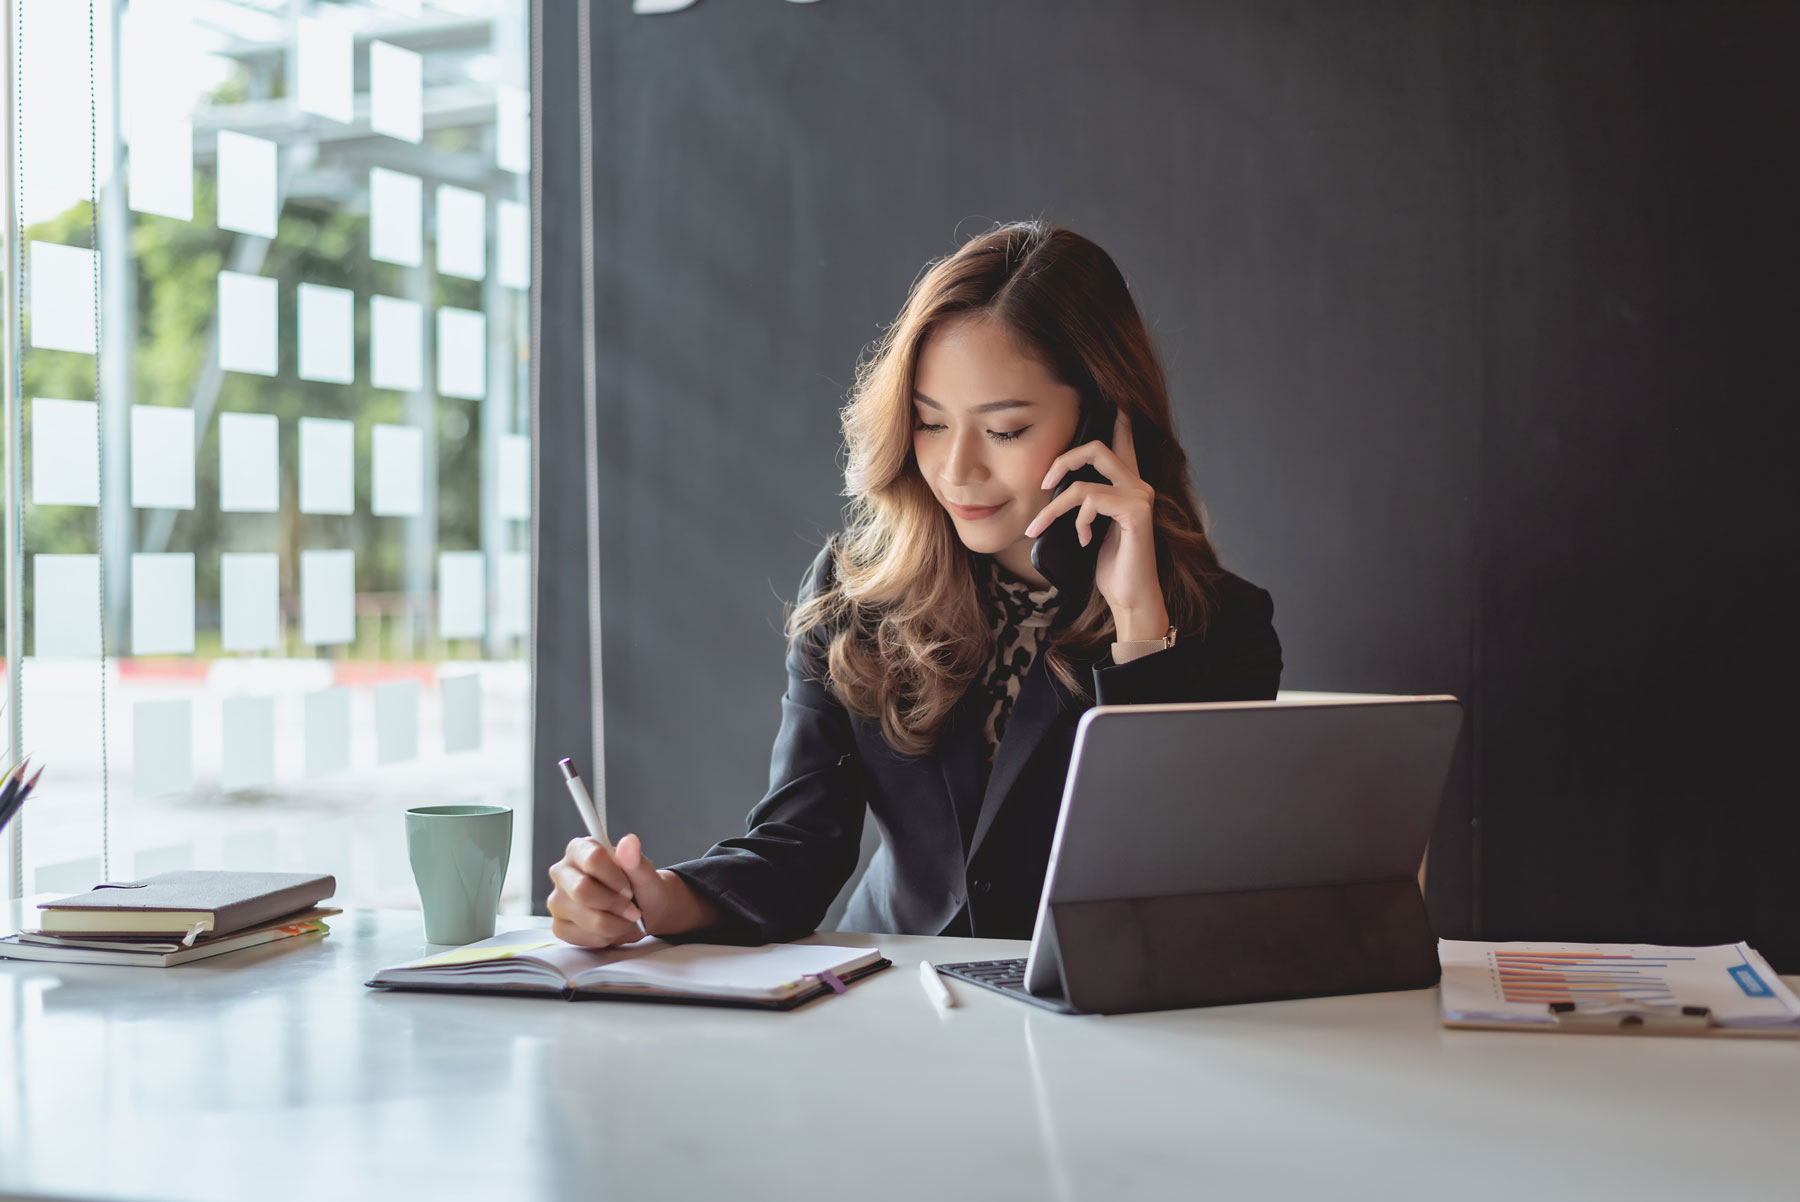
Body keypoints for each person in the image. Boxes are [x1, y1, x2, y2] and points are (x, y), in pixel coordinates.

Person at [547, 220, 1283, 947]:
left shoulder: (1227, 627)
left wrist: (1137, 627)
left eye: (1004, 431)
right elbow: (798, 845)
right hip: (893, 1008)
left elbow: (1169, 886)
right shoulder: (855, 593)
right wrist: (659, 898)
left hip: (1090, 1030)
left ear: (1104, 422)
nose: (957, 470)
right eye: (931, 424)